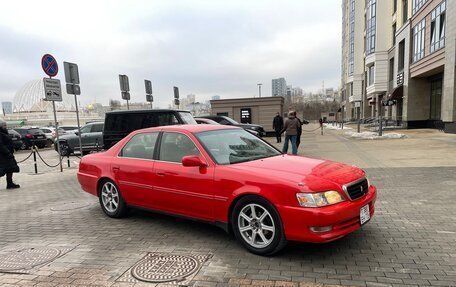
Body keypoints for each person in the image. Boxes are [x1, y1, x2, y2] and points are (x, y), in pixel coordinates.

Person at [0, 119, 20, 189]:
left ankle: (10, 183)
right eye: (4, 125)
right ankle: (9, 183)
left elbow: (8, 142)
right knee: (1, 170)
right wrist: (7, 152)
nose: (5, 126)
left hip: (8, 154)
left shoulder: (4, 132)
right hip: (3, 155)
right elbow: (1, 145)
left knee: (10, 169)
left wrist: (15, 147)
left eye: (5, 125)